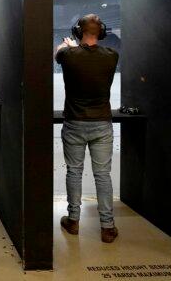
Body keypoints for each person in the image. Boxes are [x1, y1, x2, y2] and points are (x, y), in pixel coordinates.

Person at [55, 14, 119, 243]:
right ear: (100, 32)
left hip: (74, 122)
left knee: (74, 171)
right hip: (102, 123)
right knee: (103, 175)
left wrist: (69, 45)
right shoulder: (112, 56)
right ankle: (107, 226)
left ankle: (73, 220)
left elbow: (58, 54)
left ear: (77, 31)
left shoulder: (68, 54)